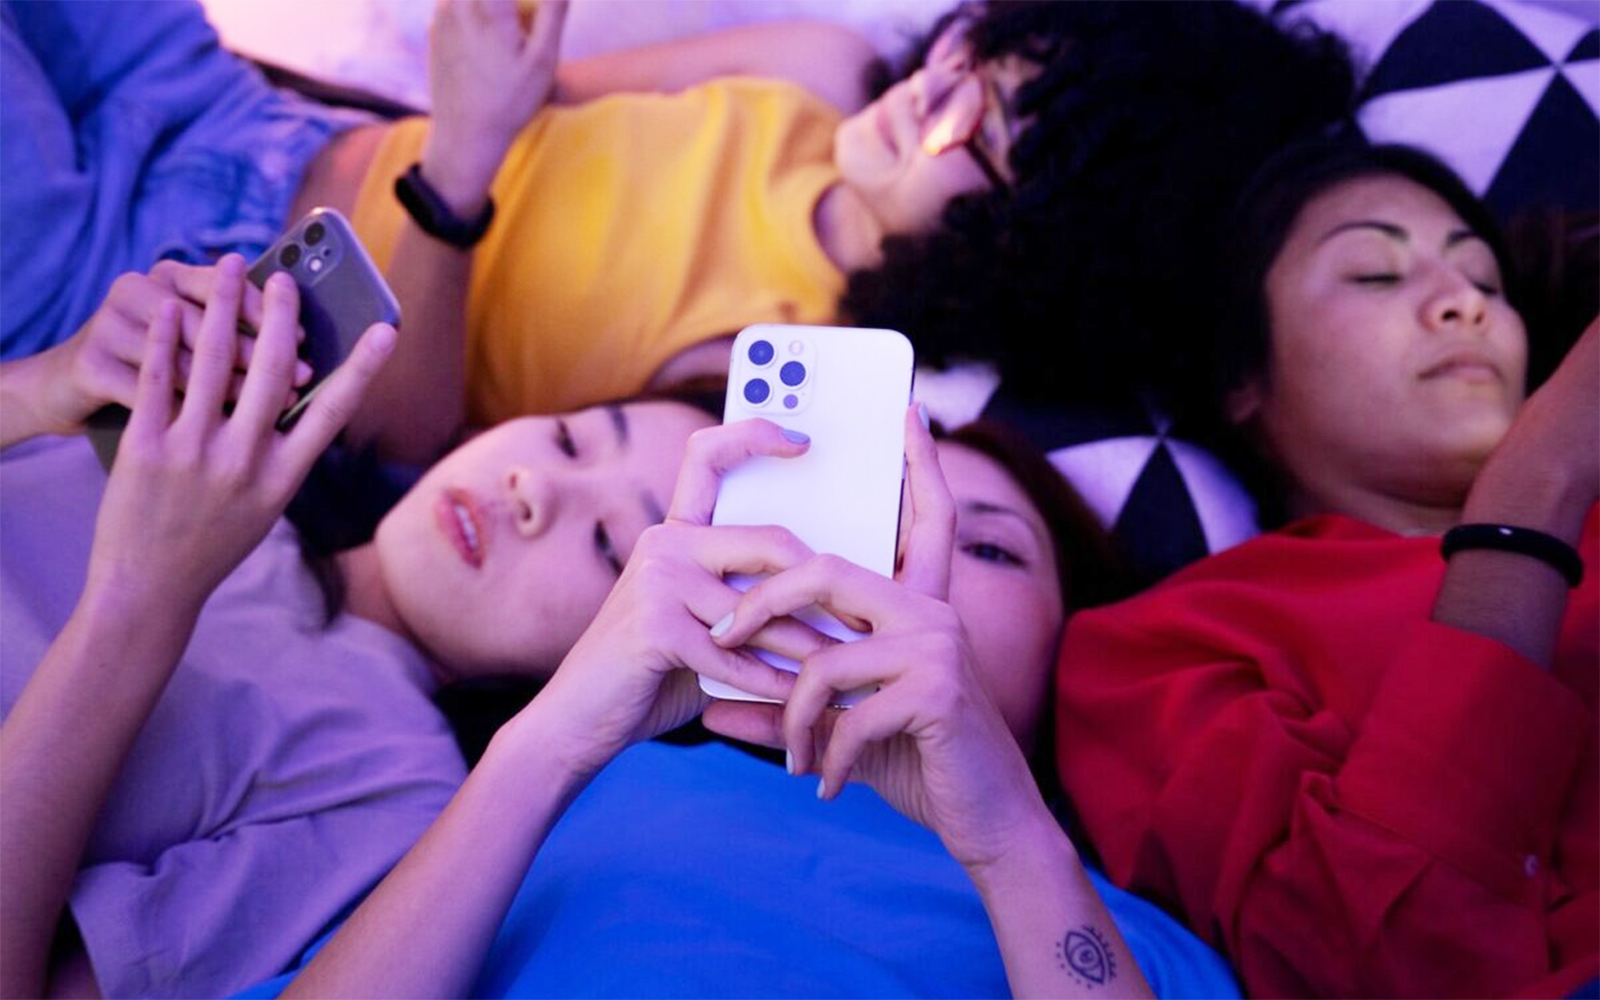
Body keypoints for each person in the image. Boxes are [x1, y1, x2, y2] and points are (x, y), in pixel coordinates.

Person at [2, 0, 1357, 464]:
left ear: (1039, 247)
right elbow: (525, 94)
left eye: (980, 130)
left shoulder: (791, 363)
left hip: (170, 280)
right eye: (971, 55)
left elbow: (400, 438)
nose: (930, 95)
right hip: (239, 113)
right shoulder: (818, 71)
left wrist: (461, 170)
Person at [252, 405, 1240, 1000]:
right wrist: (546, 745)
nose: (910, 567)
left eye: (984, 546)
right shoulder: (580, 789)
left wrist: (1013, 848)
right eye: (873, 523)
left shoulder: (1114, 931)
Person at [0, 258, 719, 999]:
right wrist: (39, 388)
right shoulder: (228, 445)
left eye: (607, 545)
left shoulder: (398, 796)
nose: (533, 486)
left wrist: (138, 601)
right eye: (569, 439)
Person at [1052, 139, 1598, 998]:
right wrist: (1536, 486)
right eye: (1375, 274)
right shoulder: (1159, 647)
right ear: (1244, 377)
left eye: (1486, 282)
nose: (1463, 303)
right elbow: (1375, 963)